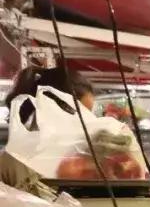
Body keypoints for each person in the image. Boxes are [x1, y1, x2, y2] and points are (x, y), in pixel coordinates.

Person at [1, 65, 95, 198]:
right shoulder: (18, 159)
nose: (87, 123)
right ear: (52, 108)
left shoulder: (73, 155)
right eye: (82, 115)